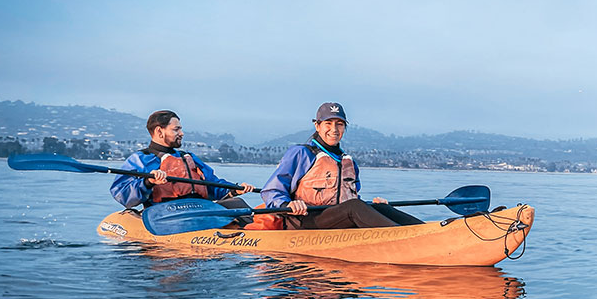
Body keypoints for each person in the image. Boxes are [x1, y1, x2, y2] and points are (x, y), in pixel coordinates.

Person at [261, 102, 422, 229]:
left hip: (337, 219)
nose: (334, 129)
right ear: (317, 126)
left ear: (344, 127)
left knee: (380, 207)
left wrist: (372, 208)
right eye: (328, 123)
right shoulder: (301, 153)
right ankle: (406, 238)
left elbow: (348, 197)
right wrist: (287, 204)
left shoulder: (347, 161)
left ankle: (427, 230)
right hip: (305, 220)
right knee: (354, 207)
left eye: (339, 124)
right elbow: (271, 190)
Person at [110, 110, 255, 209]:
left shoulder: (188, 157)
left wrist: (236, 189)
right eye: (176, 129)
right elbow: (122, 195)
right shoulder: (140, 160)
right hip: (166, 213)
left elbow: (214, 185)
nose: (182, 133)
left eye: (180, 129)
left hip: (200, 210)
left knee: (237, 203)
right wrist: (148, 182)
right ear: (159, 131)